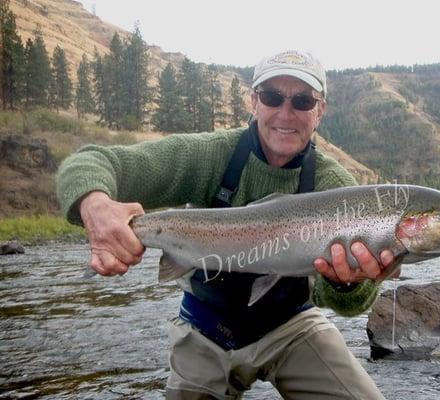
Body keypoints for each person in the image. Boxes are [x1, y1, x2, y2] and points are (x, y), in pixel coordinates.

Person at [56, 50, 400, 399]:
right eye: (271, 97)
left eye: (301, 101)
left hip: (292, 326)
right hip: (204, 329)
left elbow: (346, 304)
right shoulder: (208, 155)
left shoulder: (337, 188)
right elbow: (91, 161)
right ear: (254, 102)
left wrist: (347, 284)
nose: (285, 112)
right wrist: (95, 204)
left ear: (319, 111)